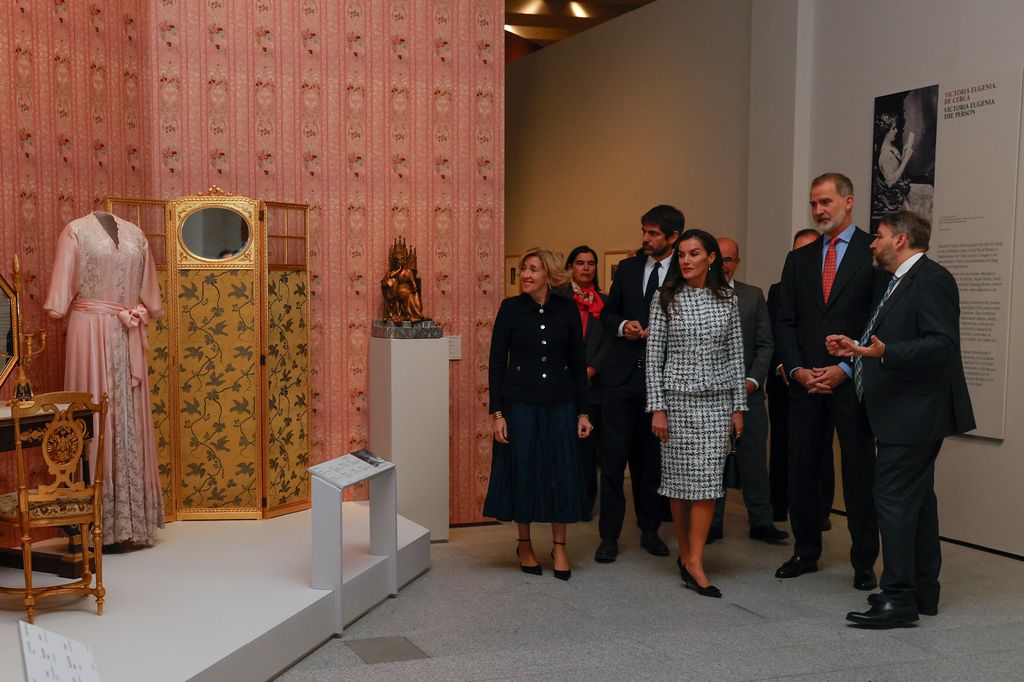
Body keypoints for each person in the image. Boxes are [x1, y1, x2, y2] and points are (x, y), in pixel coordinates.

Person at [827, 211, 975, 627]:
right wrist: (857, 348)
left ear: (901, 239)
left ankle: (896, 598)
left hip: (915, 412)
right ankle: (924, 592)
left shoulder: (932, 279)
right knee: (918, 502)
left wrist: (883, 352)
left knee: (890, 500)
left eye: (878, 237)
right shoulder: (897, 282)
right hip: (902, 410)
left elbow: (941, 345)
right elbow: (892, 339)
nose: (872, 243)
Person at [773, 172, 882, 590]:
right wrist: (798, 370)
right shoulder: (798, 259)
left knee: (858, 471)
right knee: (802, 469)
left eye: (826, 203)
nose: (818, 211)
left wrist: (847, 367)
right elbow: (785, 320)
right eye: (814, 204)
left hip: (850, 381)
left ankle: (863, 561)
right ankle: (805, 551)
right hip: (805, 383)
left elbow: (879, 315)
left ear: (849, 202)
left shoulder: (872, 252)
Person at [483, 247, 594, 581]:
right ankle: (525, 543)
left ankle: (560, 546)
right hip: (520, 406)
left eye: (533, 269)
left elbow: (577, 363)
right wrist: (498, 414)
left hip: (561, 405)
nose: (526, 276)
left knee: (561, 471)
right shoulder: (511, 309)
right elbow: (495, 363)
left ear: (550, 274)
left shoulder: (567, 310)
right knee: (525, 471)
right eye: (523, 269)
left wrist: (583, 412)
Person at [646, 229, 746, 598]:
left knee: (707, 483)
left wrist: (739, 407)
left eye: (694, 254)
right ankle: (686, 552)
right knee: (678, 482)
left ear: (711, 258)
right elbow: (654, 358)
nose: (686, 260)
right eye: (682, 255)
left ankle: (694, 560)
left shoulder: (727, 299)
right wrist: (657, 407)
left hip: (718, 402)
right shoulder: (665, 298)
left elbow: (737, 356)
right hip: (677, 402)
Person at [594, 205, 682, 564]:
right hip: (620, 377)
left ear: (672, 237)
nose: (645, 239)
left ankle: (649, 530)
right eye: (644, 231)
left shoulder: (684, 270)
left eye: (654, 233)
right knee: (613, 461)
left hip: (661, 379)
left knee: (651, 461)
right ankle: (608, 536)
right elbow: (607, 313)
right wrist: (624, 325)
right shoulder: (629, 269)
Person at [708, 237, 788, 545]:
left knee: (754, 463)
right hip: (711, 397)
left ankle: (761, 522)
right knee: (713, 463)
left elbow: (766, 345)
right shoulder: (697, 295)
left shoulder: (753, 297)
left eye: (730, 259)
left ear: (737, 262)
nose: (723, 265)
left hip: (750, 396)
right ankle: (712, 523)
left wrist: (752, 381)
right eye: (719, 259)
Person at [765, 229, 836, 528]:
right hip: (787, 380)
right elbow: (775, 330)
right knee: (783, 446)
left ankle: (821, 511)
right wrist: (786, 365)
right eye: (797, 252)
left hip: (826, 379)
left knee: (822, 450)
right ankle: (780, 505)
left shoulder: (832, 288)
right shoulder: (778, 289)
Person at [561, 245, 612, 520]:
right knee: (560, 445)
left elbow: (608, 343)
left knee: (587, 451)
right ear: (571, 267)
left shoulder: (605, 302)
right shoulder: (557, 299)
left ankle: (584, 505)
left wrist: (591, 369)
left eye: (591, 263)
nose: (586, 267)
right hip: (560, 383)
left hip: (594, 387)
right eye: (580, 262)